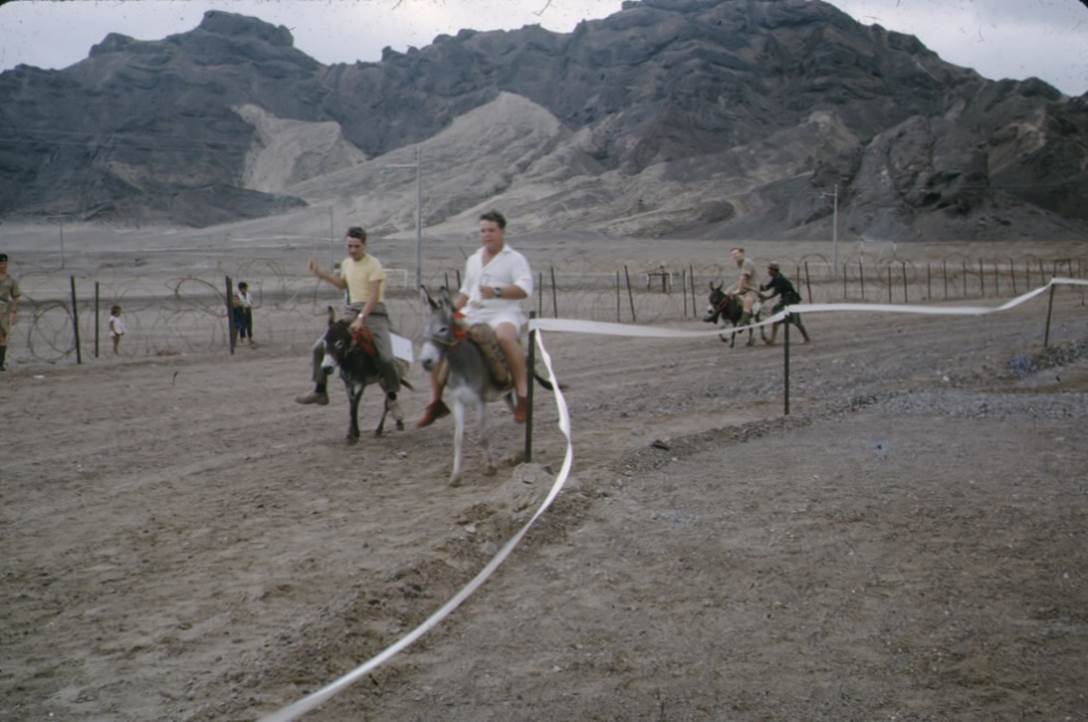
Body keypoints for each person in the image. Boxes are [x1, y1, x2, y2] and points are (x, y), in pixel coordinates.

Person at [418, 210, 533, 427]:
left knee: (505, 338)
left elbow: (524, 289)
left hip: (503, 312)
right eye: (483, 231)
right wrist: (449, 312)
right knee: (439, 338)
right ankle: (435, 401)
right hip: (473, 312)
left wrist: (497, 292)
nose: (487, 235)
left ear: (502, 232)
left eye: (491, 230)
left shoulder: (515, 259)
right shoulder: (473, 259)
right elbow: (465, 293)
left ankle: (522, 393)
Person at [295, 226, 404, 424]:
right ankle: (320, 389)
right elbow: (343, 285)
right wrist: (321, 274)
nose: (352, 250)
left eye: (356, 246)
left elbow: (373, 296)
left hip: (374, 314)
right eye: (349, 246)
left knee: (387, 358)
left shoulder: (374, 265)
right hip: (350, 312)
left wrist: (362, 317)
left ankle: (392, 397)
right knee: (319, 347)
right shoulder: (346, 263)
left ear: (364, 245)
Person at [760, 262, 810, 344]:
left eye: (769, 270)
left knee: (795, 319)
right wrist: (760, 287)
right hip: (785, 300)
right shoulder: (776, 277)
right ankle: (772, 339)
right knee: (776, 315)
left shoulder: (780, 279)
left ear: (774, 270)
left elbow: (774, 293)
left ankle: (806, 338)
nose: (768, 271)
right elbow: (767, 287)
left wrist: (765, 298)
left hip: (791, 300)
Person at [726, 247, 761, 325]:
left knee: (747, 300)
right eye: (733, 255)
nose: (734, 256)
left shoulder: (747, 262)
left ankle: (744, 319)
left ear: (742, 253)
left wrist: (738, 290)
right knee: (726, 292)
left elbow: (744, 277)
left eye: (736, 254)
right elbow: (741, 280)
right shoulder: (740, 263)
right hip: (745, 285)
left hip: (752, 287)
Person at [0, 252, 21, 371]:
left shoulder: (11, 280)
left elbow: (16, 296)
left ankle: (1, 362)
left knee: (2, 337)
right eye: (0, 263)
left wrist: (14, 312)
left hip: (3, 312)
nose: (2, 266)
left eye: (4, 263)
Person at [236, 281, 255, 347]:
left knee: (249, 324)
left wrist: (250, 305)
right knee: (243, 325)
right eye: (244, 288)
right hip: (241, 310)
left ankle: (250, 338)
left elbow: (251, 301)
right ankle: (242, 338)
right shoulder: (238, 296)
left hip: (248, 310)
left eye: (246, 288)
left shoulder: (248, 294)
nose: (246, 289)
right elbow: (237, 304)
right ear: (241, 289)